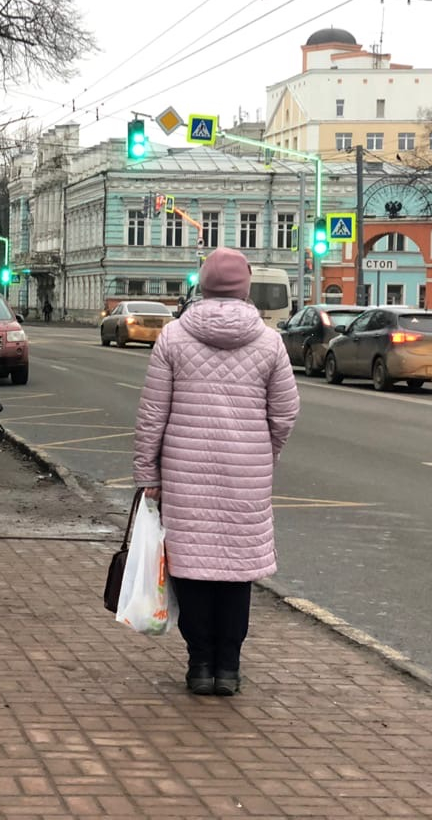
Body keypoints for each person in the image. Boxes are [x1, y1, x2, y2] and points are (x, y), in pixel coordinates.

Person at [132, 247, 300, 696]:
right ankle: (229, 667)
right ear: (245, 287)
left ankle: (199, 664)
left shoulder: (173, 337)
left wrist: (148, 473)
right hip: (246, 471)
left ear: (201, 285)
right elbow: (284, 413)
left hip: (184, 473)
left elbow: (153, 413)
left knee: (192, 568)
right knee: (235, 573)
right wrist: (265, 452)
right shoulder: (269, 341)